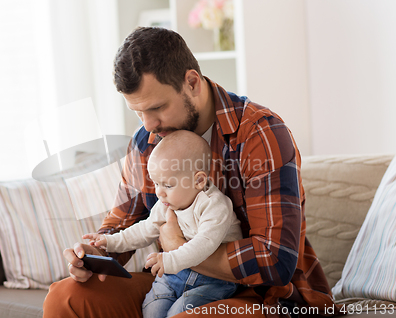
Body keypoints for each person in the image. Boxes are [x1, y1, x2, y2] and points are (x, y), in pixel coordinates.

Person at [43, 27, 340, 318]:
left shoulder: (260, 133)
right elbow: (123, 223)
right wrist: (93, 252)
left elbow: (275, 261)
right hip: (173, 280)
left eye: (157, 108)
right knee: (65, 298)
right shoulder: (146, 142)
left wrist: (177, 247)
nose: (148, 125)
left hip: (256, 295)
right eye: (138, 112)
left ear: (192, 82)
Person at [83, 130, 243, 318]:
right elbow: (143, 230)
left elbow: (205, 244)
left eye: (167, 185)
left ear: (199, 180)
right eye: (156, 183)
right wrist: (109, 241)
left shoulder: (214, 205)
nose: (159, 192)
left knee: (179, 312)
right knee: (152, 310)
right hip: (173, 276)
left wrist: (169, 259)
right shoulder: (167, 203)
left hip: (214, 280)